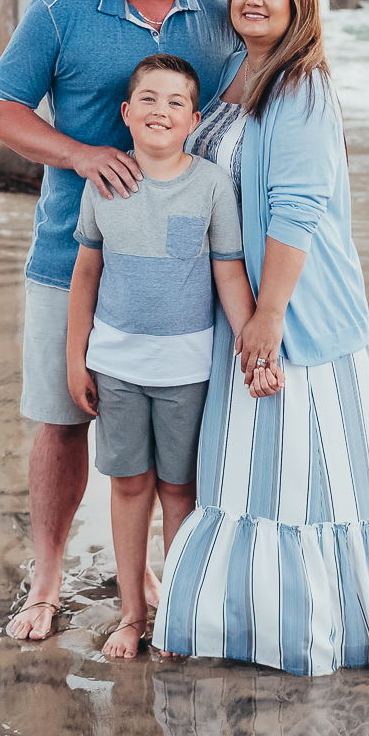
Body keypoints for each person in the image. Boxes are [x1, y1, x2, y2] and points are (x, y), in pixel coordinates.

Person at [0, 0, 242, 642]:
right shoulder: (60, 13)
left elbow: (256, 102)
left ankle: (157, 579)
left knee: (174, 450)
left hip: (183, 277)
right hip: (72, 256)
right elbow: (1, 111)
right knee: (64, 421)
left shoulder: (221, 20)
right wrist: (81, 154)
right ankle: (48, 577)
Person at [153, 0, 369, 676]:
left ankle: (308, 633)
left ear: (299, 4)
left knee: (303, 475)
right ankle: (238, 623)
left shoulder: (300, 85)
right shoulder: (238, 73)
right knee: (246, 474)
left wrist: (269, 315)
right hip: (237, 312)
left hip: (299, 314)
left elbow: (295, 207)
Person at [64, 55, 252, 660]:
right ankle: (130, 613)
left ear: (195, 119)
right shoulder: (104, 183)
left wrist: (253, 343)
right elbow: (86, 273)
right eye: (148, 99)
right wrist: (76, 358)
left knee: (179, 491)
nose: (160, 112)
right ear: (126, 112)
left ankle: (174, 613)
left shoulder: (211, 185)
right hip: (116, 367)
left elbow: (228, 274)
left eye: (175, 103)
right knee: (128, 486)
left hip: (188, 371)